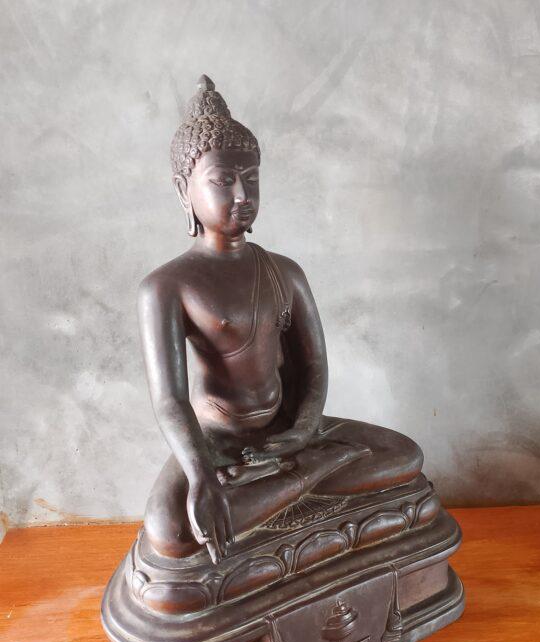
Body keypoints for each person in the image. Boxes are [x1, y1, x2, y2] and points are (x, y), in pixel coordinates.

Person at [139, 76, 423, 564]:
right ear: (184, 190)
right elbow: (170, 400)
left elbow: (313, 367)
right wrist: (202, 475)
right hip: (215, 441)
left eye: (251, 178)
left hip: (288, 429)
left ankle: (298, 472)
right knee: (169, 530)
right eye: (223, 180)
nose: (242, 193)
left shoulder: (284, 272)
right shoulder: (166, 286)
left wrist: (303, 430)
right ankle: (309, 473)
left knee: (404, 455)